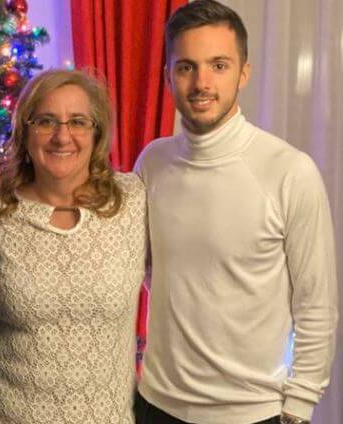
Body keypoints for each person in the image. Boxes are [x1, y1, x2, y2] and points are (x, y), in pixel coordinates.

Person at [133, 1, 338, 424]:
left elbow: (316, 303)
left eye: (219, 65)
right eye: (186, 67)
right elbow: (145, 269)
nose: (201, 82)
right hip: (157, 403)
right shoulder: (152, 162)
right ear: (168, 76)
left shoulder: (289, 171)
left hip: (252, 414)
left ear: (243, 72)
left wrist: (299, 405)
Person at [0, 69, 147, 423]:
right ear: (25, 131)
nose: (62, 136)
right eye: (46, 121)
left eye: (78, 122)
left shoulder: (133, 200)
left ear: (96, 132)